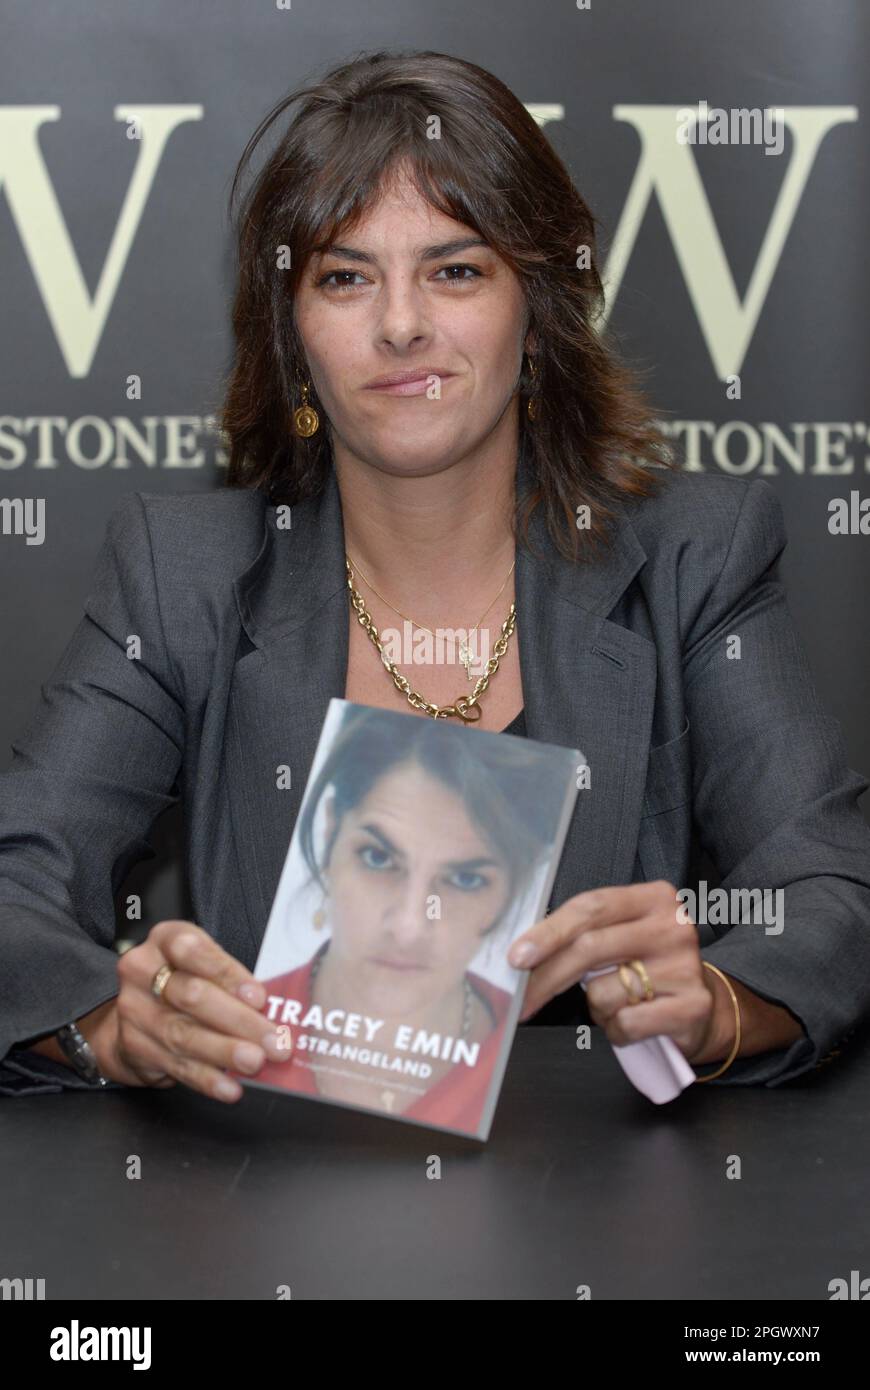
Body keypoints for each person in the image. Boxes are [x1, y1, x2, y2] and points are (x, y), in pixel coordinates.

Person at [2, 49, 869, 1105]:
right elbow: (16, 891)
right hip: (264, 1217)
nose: (401, 323)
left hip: (607, 1217)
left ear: (540, 314)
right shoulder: (183, 576)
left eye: (456, 269)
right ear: (293, 340)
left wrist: (724, 1001)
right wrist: (112, 1026)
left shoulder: (694, 557)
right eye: (345, 276)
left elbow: (832, 885)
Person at [247, 703, 568, 1132]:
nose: (409, 928)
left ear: (515, 887)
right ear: (330, 833)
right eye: (378, 857)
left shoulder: (539, 1071)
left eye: (467, 879)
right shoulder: (241, 1023)